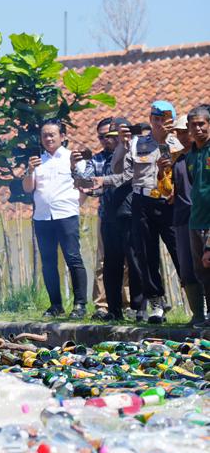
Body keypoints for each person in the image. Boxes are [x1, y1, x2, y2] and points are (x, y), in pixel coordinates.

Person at [97, 100, 181, 322]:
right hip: (142, 201)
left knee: (180, 252)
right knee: (146, 255)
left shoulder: (180, 142)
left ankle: (200, 302)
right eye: (155, 118)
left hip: (170, 203)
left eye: (164, 119)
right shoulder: (137, 143)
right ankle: (156, 303)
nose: (159, 122)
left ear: (171, 120)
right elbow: (118, 170)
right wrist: (123, 145)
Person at [23, 121, 88, 318]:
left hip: (66, 214)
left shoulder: (73, 158)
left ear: (62, 136)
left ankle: (80, 305)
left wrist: (76, 205)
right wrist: (29, 171)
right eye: (45, 136)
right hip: (42, 217)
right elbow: (27, 188)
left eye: (52, 135)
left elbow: (85, 185)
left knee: (73, 258)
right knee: (48, 262)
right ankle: (56, 305)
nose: (48, 139)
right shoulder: (37, 161)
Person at [82, 118, 142, 322]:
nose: (108, 139)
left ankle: (138, 307)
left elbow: (129, 175)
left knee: (134, 262)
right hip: (109, 215)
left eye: (112, 134)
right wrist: (79, 176)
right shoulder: (100, 159)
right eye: (104, 136)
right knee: (111, 264)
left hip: (131, 212)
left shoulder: (135, 150)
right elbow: (91, 185)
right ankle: (114, 309)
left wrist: (104, 181)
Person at [171, 114, 206, 327]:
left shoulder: (201, 155)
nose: (183, 136)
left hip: (203, 217)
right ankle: (197, 315)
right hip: (183, 218)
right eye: (179, 132)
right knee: (187, 269)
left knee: (206, 267)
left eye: (186, 131)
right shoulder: (179, 160)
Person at [185, 105, 210, 319]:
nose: (198, 128)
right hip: (195, 221)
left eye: (202, 124)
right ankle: (203, 316)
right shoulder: (191, 156)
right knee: (201, 272)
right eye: (194, 125)